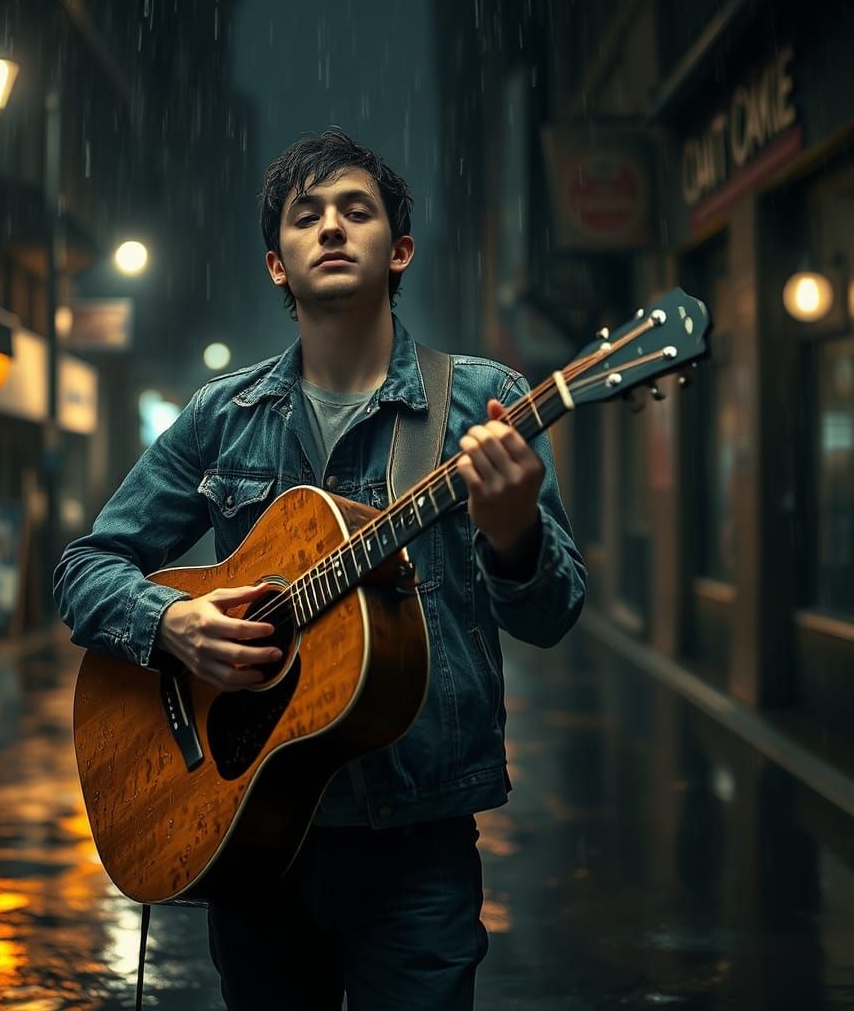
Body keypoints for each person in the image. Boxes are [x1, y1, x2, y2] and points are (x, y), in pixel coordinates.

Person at [54, 127, 587, 1010]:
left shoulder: (480, 406)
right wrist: (170, 624)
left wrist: (513, 531)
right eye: (307, 217)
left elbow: (554, 614)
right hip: (251, 831)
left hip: (416, 840)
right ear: (277, 264)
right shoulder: (226, 415)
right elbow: (87, 565)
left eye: (356, 211)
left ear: (399, 250)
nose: (331, 229)